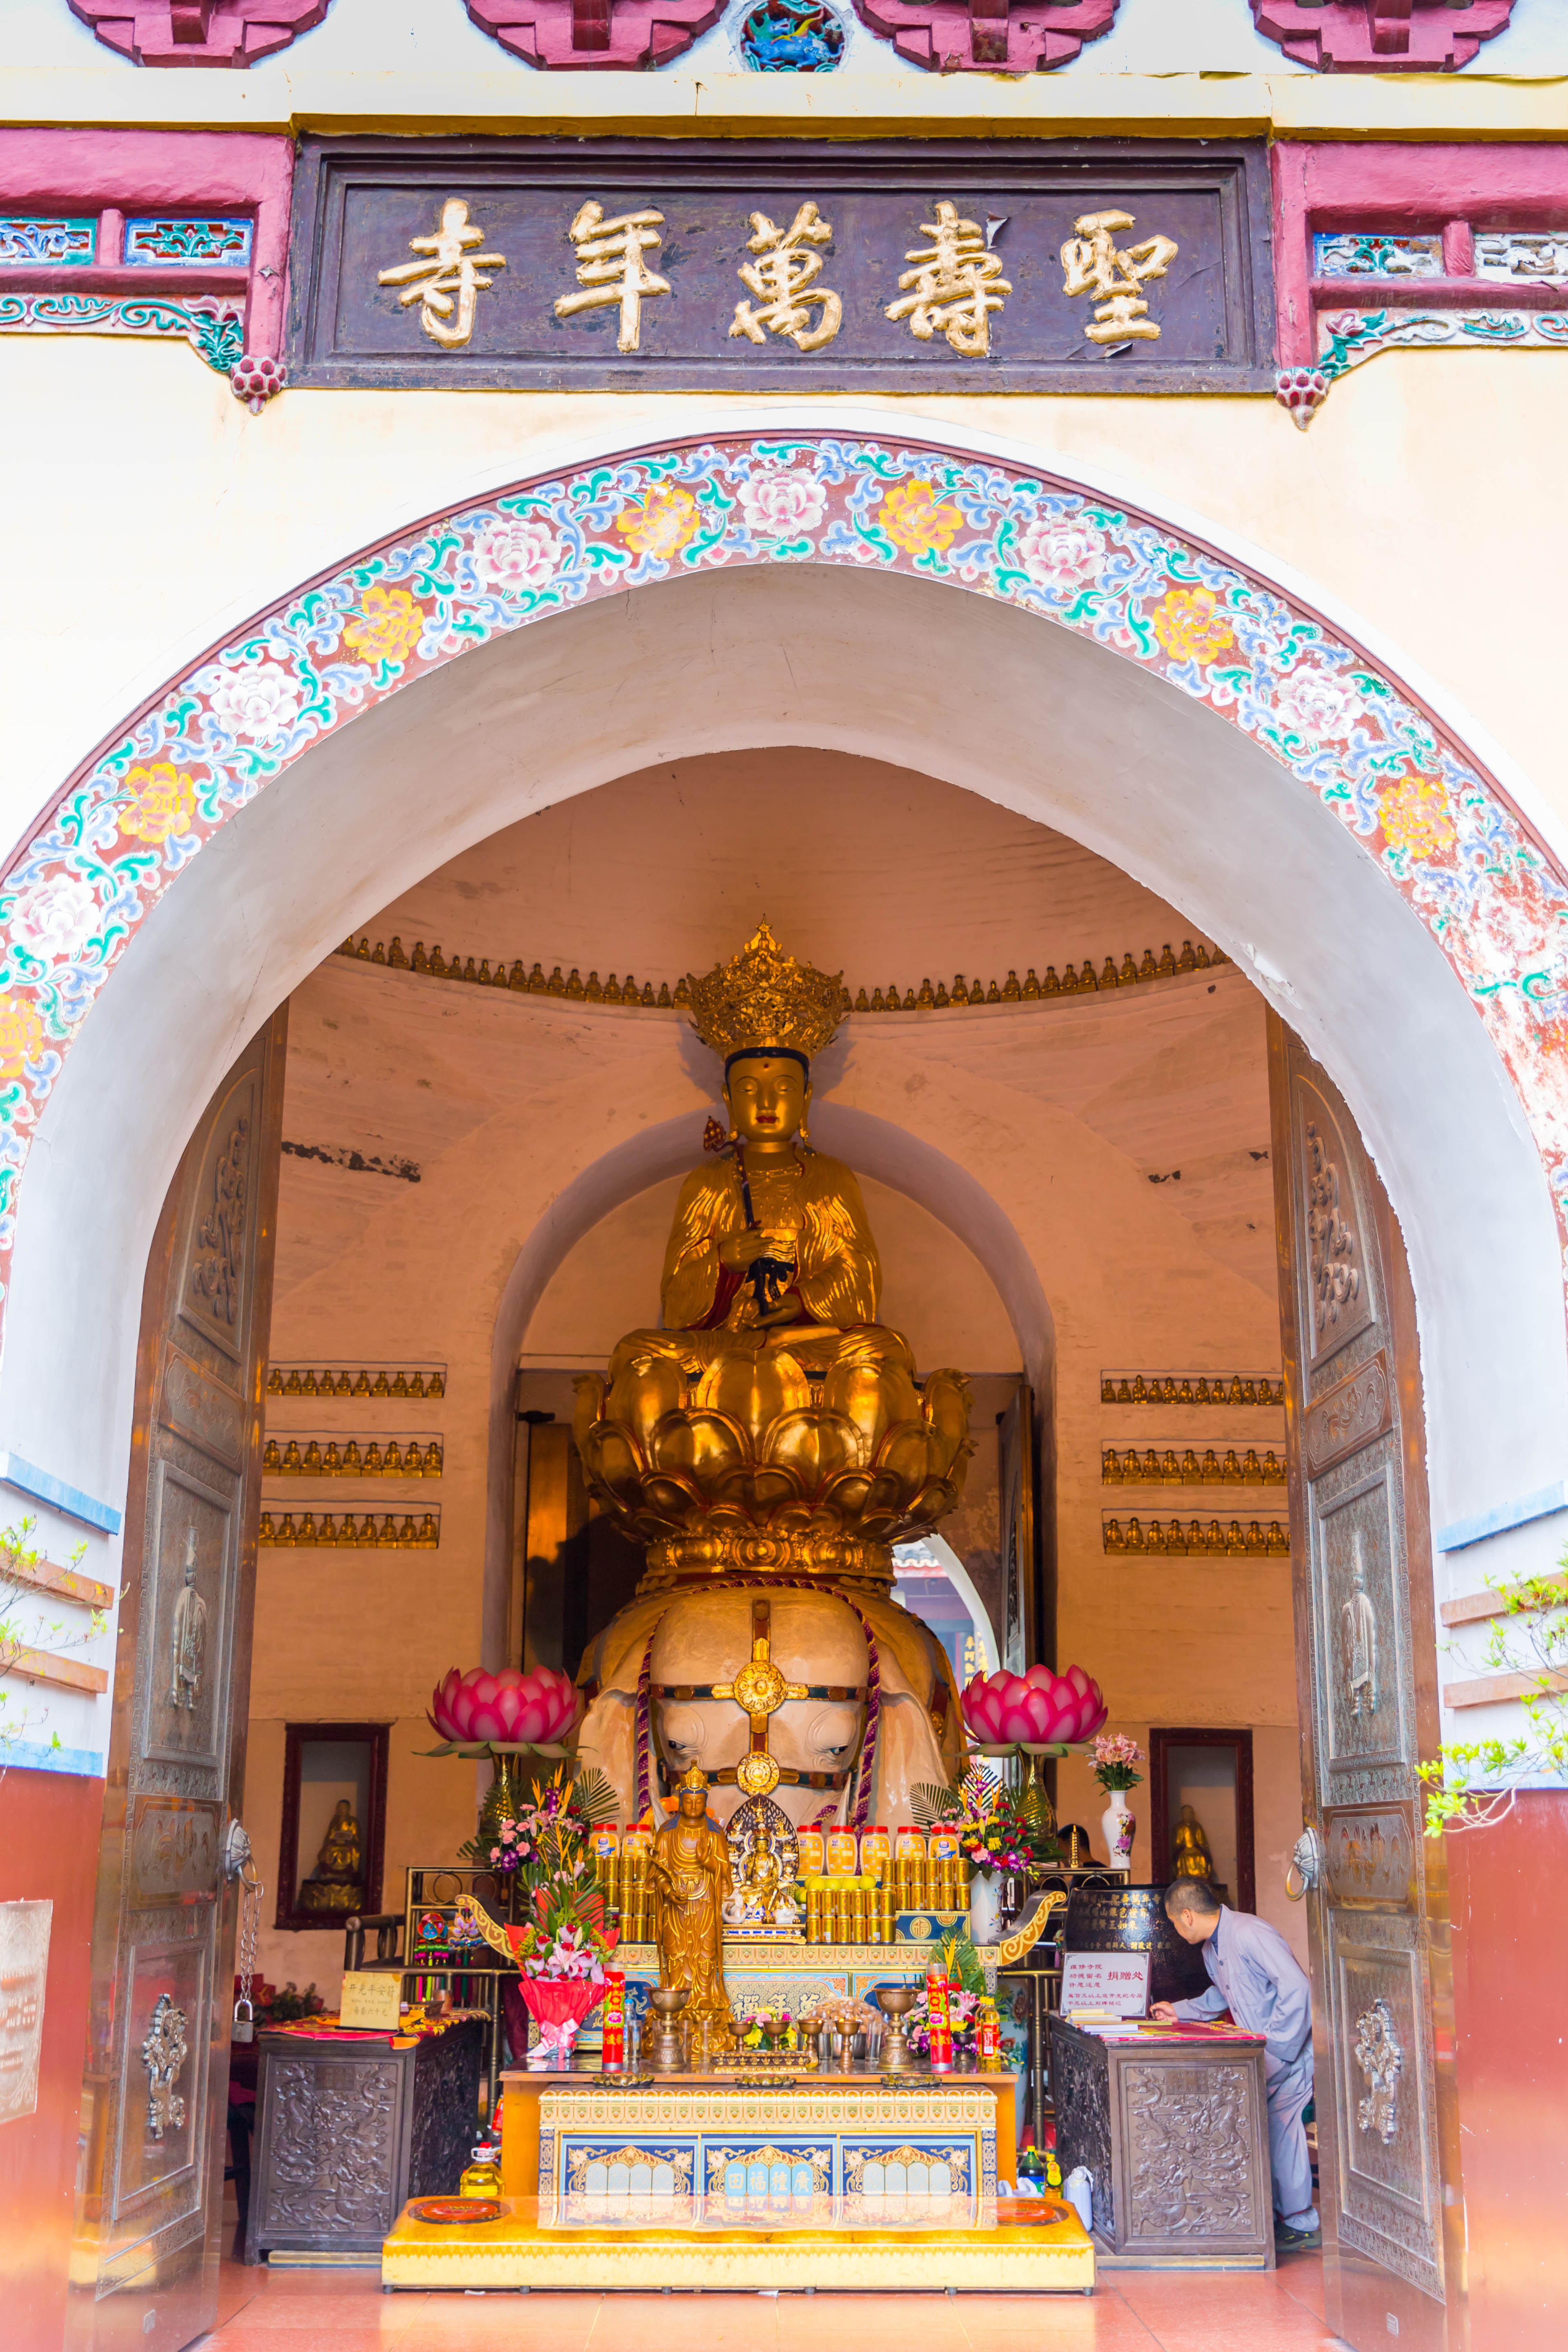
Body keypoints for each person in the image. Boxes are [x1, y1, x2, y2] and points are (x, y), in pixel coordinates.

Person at [1152, 1876, 1320, 2252]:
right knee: (1265, 2130)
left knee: (1281, 2130)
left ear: (1189, 1915)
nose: (1177, 1932)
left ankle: (1300, 2221)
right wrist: (1177, 2011)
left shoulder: (1249, 1932)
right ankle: (1275, 2216)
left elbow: (1298, 1990)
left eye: (1175, 1923)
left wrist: (1277, 2050)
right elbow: (1220, 1995)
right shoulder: (1213, 1948)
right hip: (1262, 2054)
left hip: (1287, 2052)